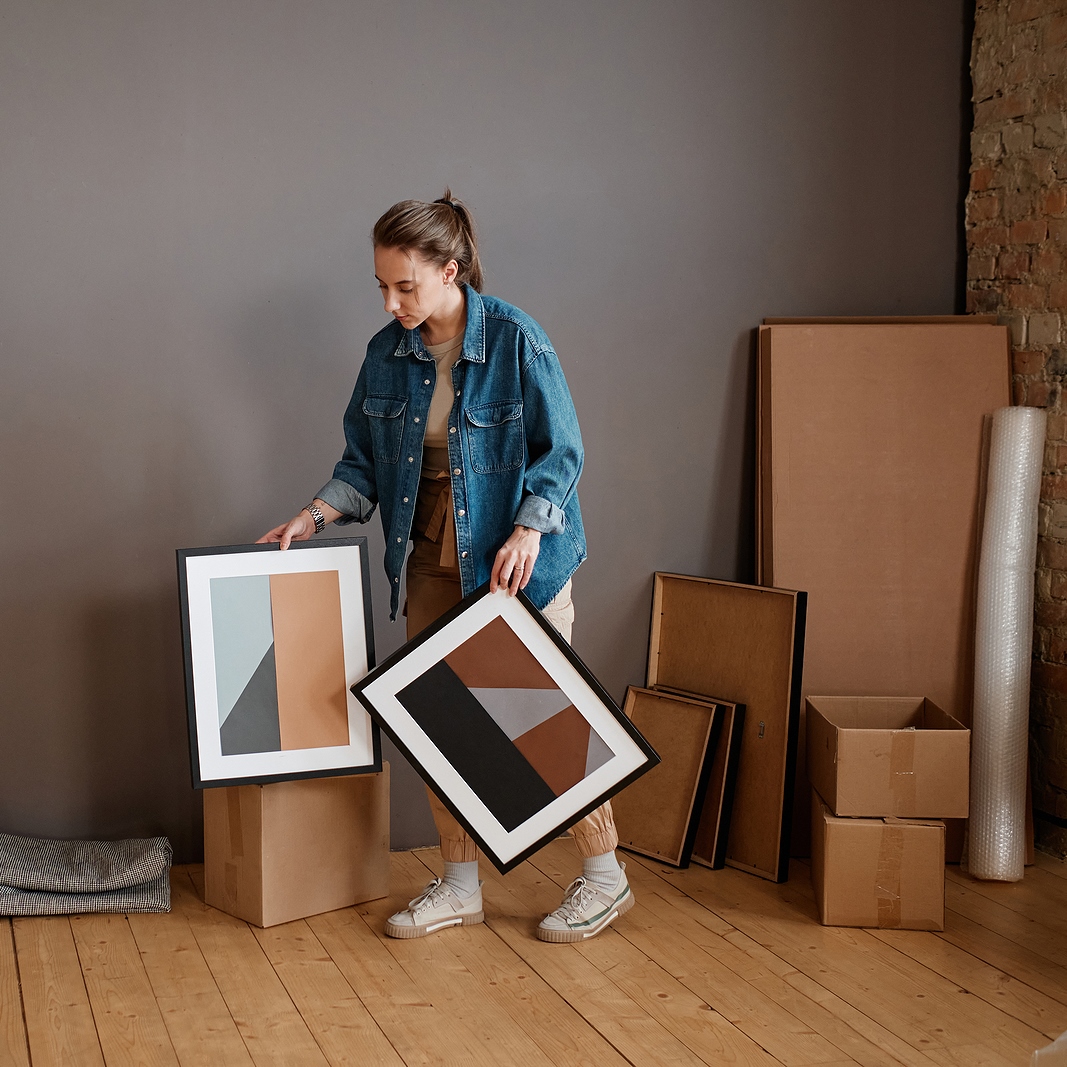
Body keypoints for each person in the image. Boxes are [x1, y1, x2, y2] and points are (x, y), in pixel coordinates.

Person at [259, 191, 632, 942]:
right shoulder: (384, 355)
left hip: (513, 553)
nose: (392, 301)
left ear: (451, 271)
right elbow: (362, 464)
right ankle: (460, 884)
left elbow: (563, 453)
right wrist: (315, 513)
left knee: (539, 721)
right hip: (426, 551)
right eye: (381, 286)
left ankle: (604, 877)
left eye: (406, 285)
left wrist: (529, 530)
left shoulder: (517, 339)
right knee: (440, 717)